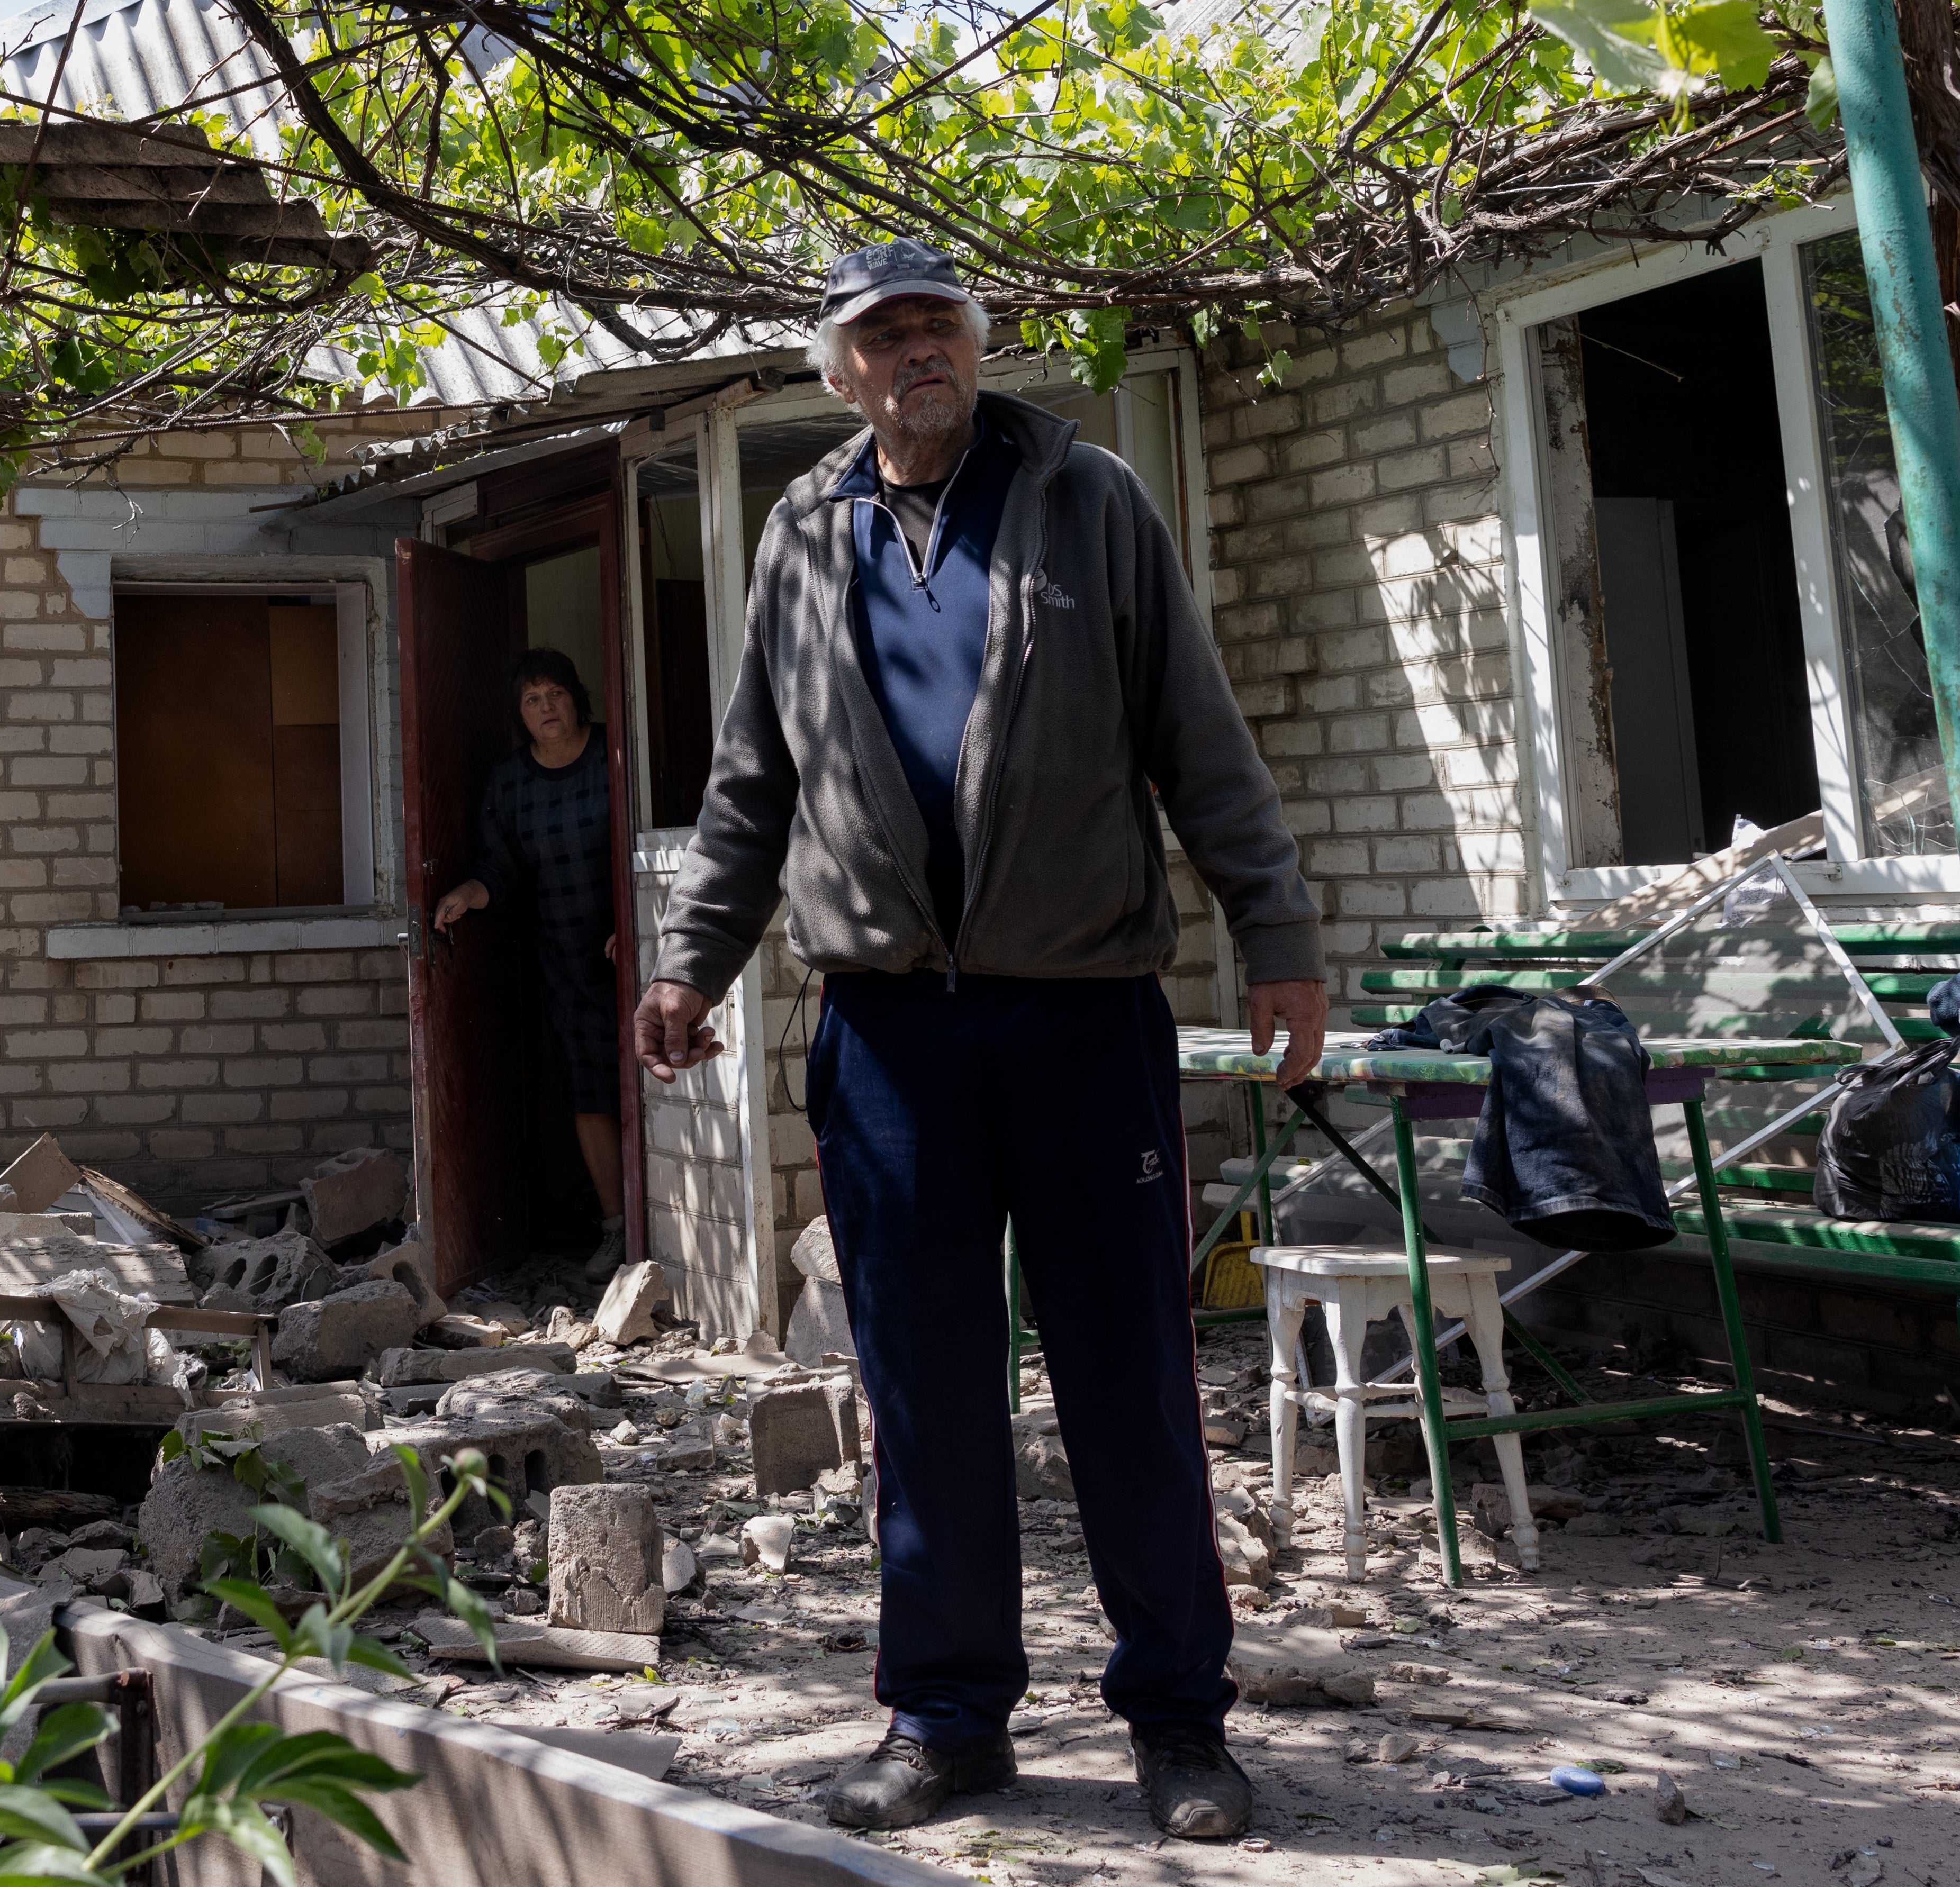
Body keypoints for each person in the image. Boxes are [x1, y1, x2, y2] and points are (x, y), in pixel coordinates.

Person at [634, 240, 1328, 1841]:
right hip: (885, 1033)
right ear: (840, 372)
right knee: (919, 1388)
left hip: (1082, 1013)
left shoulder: (1089, 504)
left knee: (1126, 1379)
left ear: (974, 341)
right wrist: (689, 961)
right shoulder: (800, 535)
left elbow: (1196, 739)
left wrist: (1274, 931)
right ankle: (945, 1718)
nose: (915, 353)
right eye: (881, 335)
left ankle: (1176, 1721)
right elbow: (751, 782)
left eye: (935, 324)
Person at [429, 647, 630, 1274]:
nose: (547, 706)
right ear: (520, 714)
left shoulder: (616, 755)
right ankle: (618, 1228)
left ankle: (670, 1222)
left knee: (648, 1082)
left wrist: (636, 921)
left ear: (577, 697)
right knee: (590, 1090)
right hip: (567, 958)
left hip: (634, 947)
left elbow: (659, 839)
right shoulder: (510, 783)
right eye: (532, 698)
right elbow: (500, 867)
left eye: (556, 693)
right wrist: (467, 891)